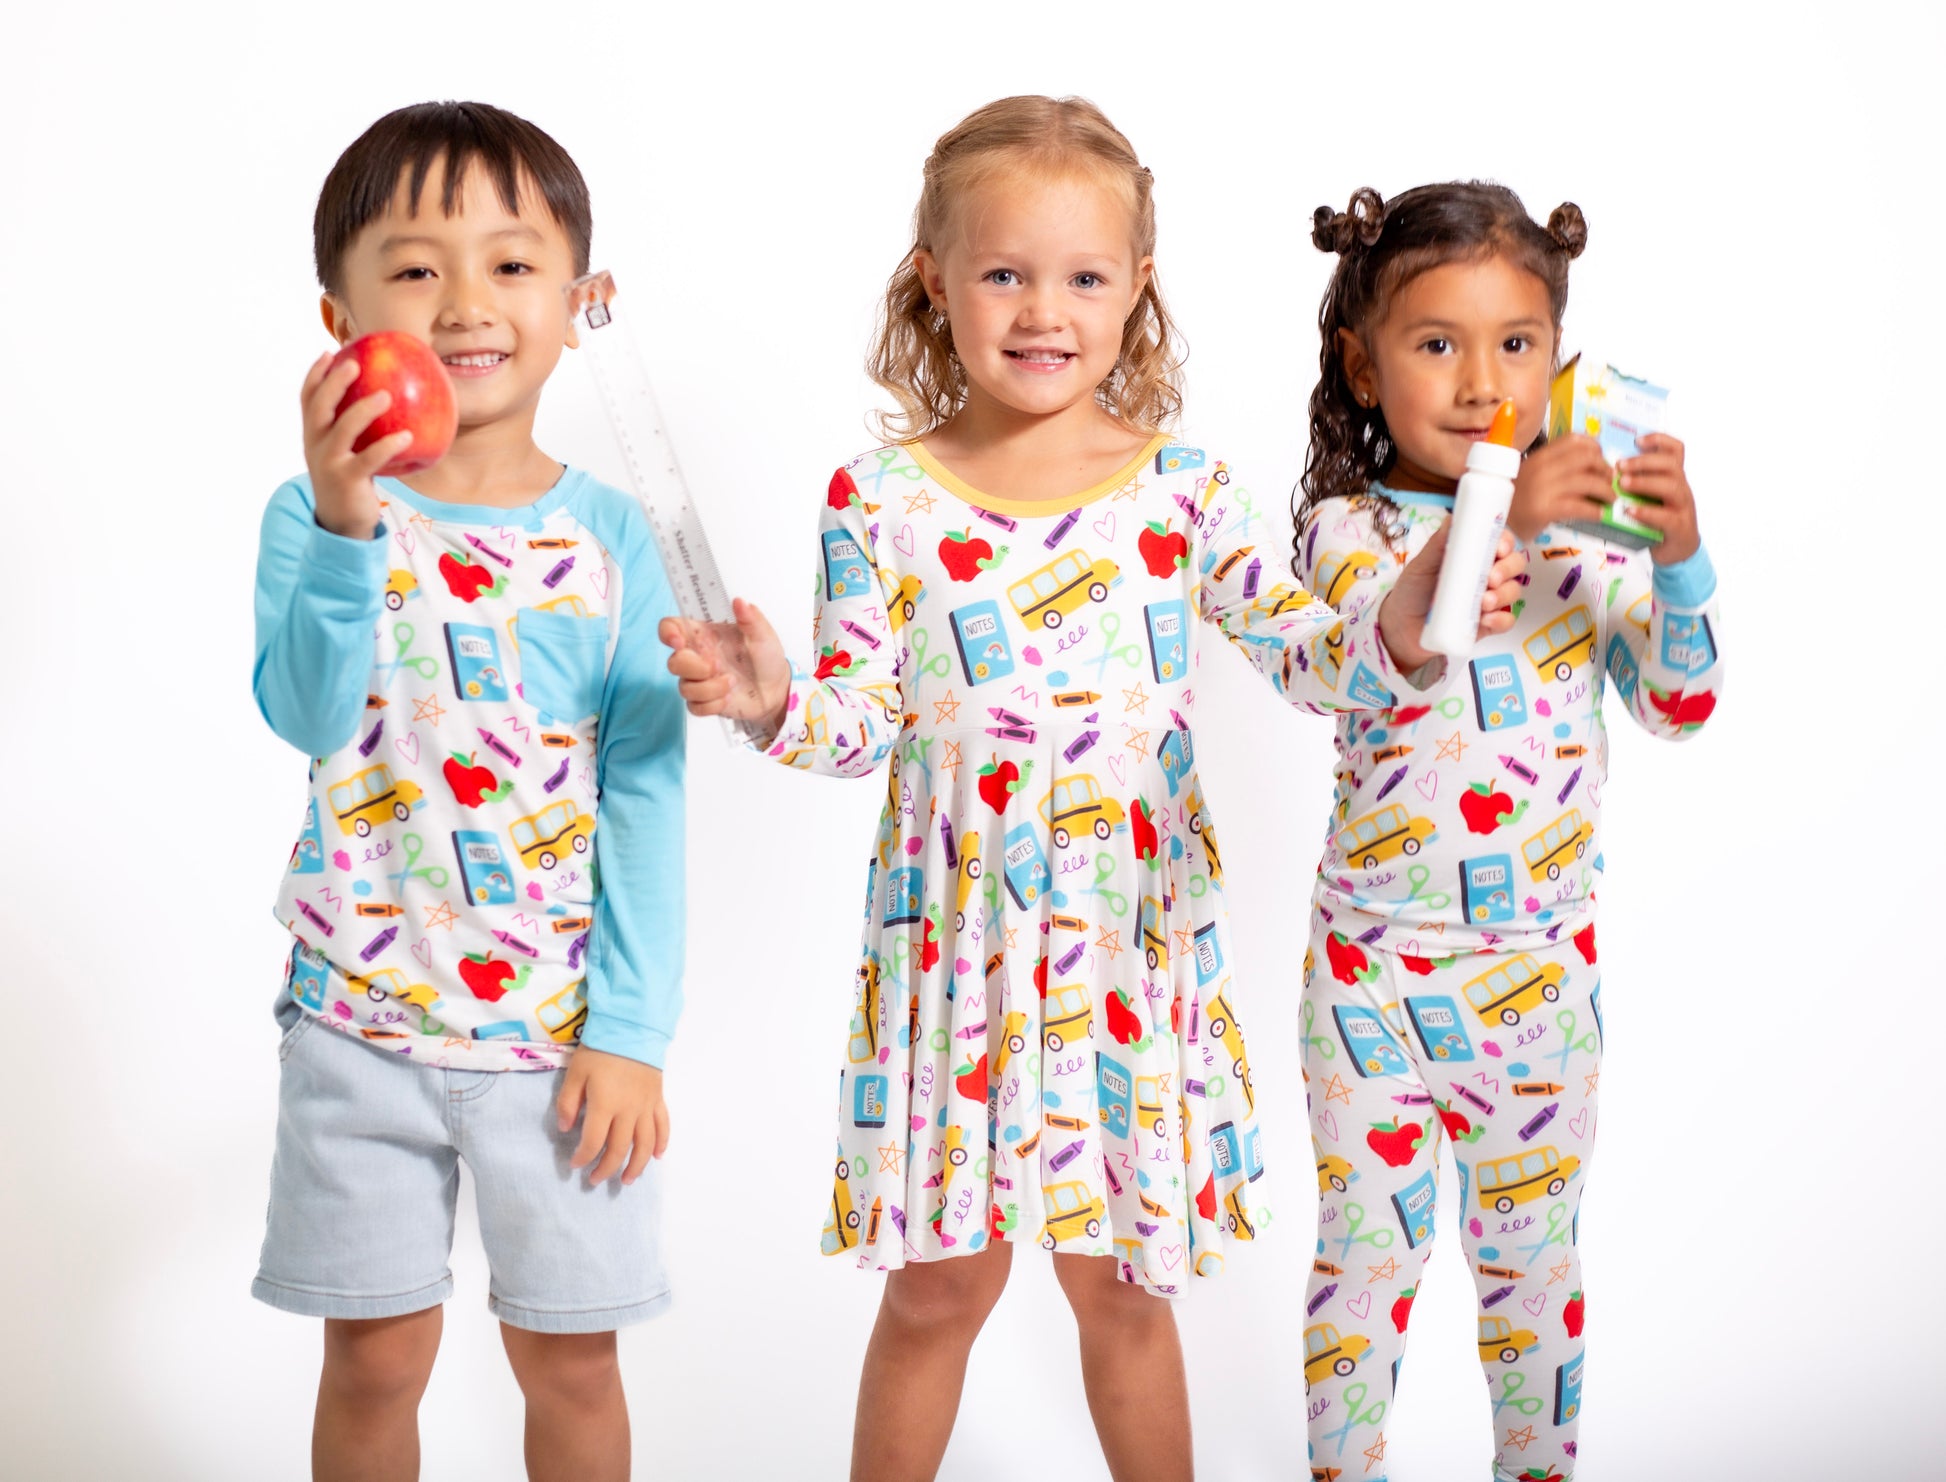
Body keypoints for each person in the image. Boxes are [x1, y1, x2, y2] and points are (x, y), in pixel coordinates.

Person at [658, 99, 1521, 1482]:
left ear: (1136, 292)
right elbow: (855, 724)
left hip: (1127, 963)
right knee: (936, 1287)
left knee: (1122, 1293)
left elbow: (1314, 663)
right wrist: (768, 699)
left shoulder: (1181, 489)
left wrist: (1403, 616)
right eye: (1003, 272)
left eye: (1082, 276)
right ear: (933, 283)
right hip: (955, 974)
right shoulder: (878, 498)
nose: (1042, 309)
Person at [250, 101, 684, 1482]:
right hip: (356, 1024)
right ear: (340, 314)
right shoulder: (317, 513)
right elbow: (306, 715)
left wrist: (629, 1028)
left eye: (508, 264)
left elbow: (648, 797)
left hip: (555, 1045)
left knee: (570, 1355)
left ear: (579, 301)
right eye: (415, 267)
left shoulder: (614, 541)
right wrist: (343, 522)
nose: (463, 304)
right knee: (374, 1355)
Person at [1291, 183, 1724, 1481]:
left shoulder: (1586, 549)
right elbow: (1395, 644)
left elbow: (1680, 703)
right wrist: (1508, 509)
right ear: (1363, 366)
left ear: (1559, 357)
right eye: (1436, 344)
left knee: (1532, 1274)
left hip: (1535, 981)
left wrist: (1683, 560)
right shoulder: (1343, 532)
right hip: (1371, 972)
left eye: (1516, 344)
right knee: (1364, 1262)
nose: (1483, 381)